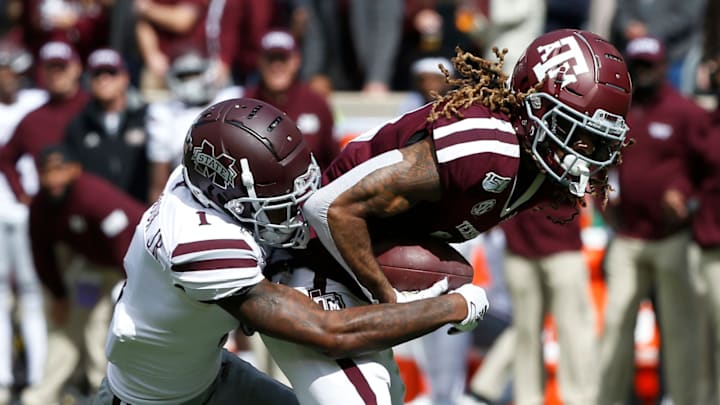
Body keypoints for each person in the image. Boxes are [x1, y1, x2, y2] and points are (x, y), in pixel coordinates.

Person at [265, 28, 632, 405]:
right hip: (311, 263)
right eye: (571, 130)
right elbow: (329, 206)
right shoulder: (486, 145)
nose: (582, 151)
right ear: (533, 106)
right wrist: (393, 300)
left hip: (350, 278)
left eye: (596, 139)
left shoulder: (538, 169)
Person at [93, 97, 489, 405]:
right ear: (228, 199)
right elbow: (327, 333)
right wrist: (454, 307)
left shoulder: (200, 183)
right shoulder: (198, 241)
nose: (297, 210)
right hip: (153, 400)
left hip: (211, 376)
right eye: (280, 203)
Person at [596, 36, 708, 405]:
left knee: (679, 329)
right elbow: (603, 162)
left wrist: (687, 200)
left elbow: (708, 169)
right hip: (627, 236)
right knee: (615, 325)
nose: (642, 73)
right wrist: (603, 193)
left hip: (671, 237)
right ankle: (609, 400)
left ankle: (682, 399)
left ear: (663, 66)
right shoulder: (620, 110)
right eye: (637, 66)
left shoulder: (685, 111)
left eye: (649, 66)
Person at [27, 144, 145, 404]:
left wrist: (136, 285)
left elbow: (125, 242)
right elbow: (41, 253)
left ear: (75, 170)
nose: (53, 179)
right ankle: (46, 395)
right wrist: (58, 293)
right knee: (76, 321)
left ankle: (105, 391)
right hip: (93, 269)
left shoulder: (92, 197)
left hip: (133, 264)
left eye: (59, 170)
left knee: (103, 326)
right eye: (46, 172)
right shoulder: (41, 206)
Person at [500, 205, 598, 404]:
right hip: (518, 244)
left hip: (563, 242)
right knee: (525, 333)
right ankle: (526, 400)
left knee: (573, 331)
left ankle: (581, 400)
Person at [0, 40, 47, 404]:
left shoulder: (36, 104)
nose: (8, 77)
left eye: (12, 69)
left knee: (34, 296)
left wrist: (24, 193)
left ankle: (37, 378)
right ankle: (3, 378)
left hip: (32, 214)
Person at [0, 40, 89, 206]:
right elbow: (5, 157)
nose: (56, 74)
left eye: (61, 67)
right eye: (50, 68)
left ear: (77, 68)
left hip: (94, 206)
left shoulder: (92, 108)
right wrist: (22, 195)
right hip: (52, 211)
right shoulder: (33, 119)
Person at [63, 48, 150, 204]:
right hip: (98, 212)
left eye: (111, 72)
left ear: (125, 77)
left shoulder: (147, 117)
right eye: (97, 74)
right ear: (88, 81)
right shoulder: (78, 124)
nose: (103, 79)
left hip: (143, 210)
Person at [244, 29, 339, 171]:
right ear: (260, 62)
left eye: (283, 59)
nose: (276, 66)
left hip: (311, 189)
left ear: (296, 61)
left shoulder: (316, 103)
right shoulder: (245, 104)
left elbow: (333, 159)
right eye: (271, 59)